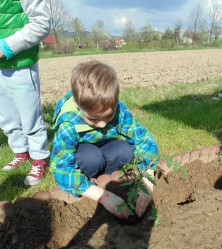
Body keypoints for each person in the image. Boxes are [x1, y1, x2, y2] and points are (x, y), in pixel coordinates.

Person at [50, 61, 158, 219]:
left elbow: (144, 141)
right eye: (93, 119)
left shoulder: (118, 109)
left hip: (105, 147)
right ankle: (88, 185)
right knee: (91, 158)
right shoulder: (68, 124)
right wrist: (102, 196)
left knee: (125, 151)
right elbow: (61, 167)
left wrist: (148, 180)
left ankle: (106, 180)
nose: (102, 124)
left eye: (108, 116)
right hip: (84, 154)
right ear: (77, 105)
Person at [0, 0, 51, 186]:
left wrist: (5, 47)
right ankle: (21, 152)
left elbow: (41, 23)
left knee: (31, 118)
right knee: (6, 117)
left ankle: (39, 159)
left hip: (20, 63)